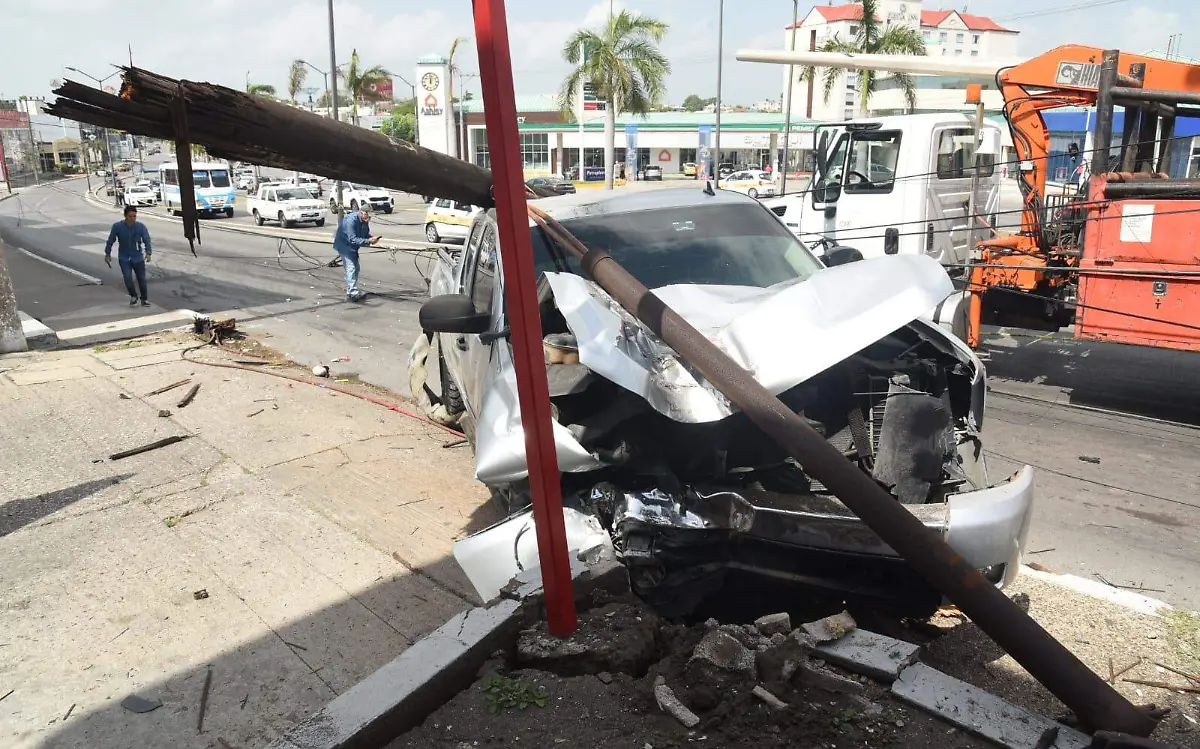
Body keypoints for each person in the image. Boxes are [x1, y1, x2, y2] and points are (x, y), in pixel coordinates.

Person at [104, 205, 153, 307]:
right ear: (125, 216)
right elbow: (110, 240)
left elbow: (146, 239)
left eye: (134, 216)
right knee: (127, 278)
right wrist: (107, 254)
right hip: (124, 257)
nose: (132, 219)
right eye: (130, 216)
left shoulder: (141, 226)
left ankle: (144, 299)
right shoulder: (117, 226)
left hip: (138, 257)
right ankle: (133, 296)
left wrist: (148, 253)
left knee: (142, 280)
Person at [333, 203, 380, 302]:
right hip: (345, 246)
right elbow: (352, 239)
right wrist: (368, 241)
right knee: (351, 268)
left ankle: (351, 290)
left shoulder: (364, 220)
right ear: (362, 213)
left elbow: (364, 234)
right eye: (368, 215)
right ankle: (352, 293)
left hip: (353, 247)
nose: (369, 218)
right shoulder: (351, 220)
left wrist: (371, 238)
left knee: (356, 268)